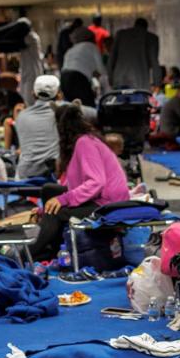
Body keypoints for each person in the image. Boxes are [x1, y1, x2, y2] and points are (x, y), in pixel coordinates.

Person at [27, 104, 129, 261]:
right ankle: (50, 246)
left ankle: (30, 252)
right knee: (49, 190)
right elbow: (73, 187)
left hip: (107, 205)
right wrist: (46, 207)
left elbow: (96, 182)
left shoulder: (84, 143)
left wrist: (62, 201)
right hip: (99, 199)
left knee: (56, 212)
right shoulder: (82, 142)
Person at [12, 75, 60, 179]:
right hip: (53, 176)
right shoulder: (63, 113)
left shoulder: (21, 116)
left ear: (33, 94)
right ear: (59, 95)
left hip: (24, 176)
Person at [108, 18, 159, 90]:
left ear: (134, 25)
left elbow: (111, 58)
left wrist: (110, 78)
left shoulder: (120, 34)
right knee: (138, 101)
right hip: (140, 82)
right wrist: (157, 83)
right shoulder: (152, 38)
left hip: (120, 80)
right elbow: (154, 62)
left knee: (120, 100)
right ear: (146, 28)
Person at [61, 27, 105, 106]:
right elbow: (101, 71)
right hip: (77, 79)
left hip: (63, 79)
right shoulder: (91, 46)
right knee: (89, 108)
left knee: (72, 109)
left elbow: (82, 67)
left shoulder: (70, 50)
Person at [18, 18, 45, 106]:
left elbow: (18, 43)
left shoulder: (31, 36)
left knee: (29, 98)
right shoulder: (25, 36)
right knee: (23, 96)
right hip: (26, 71)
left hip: (33, 71)